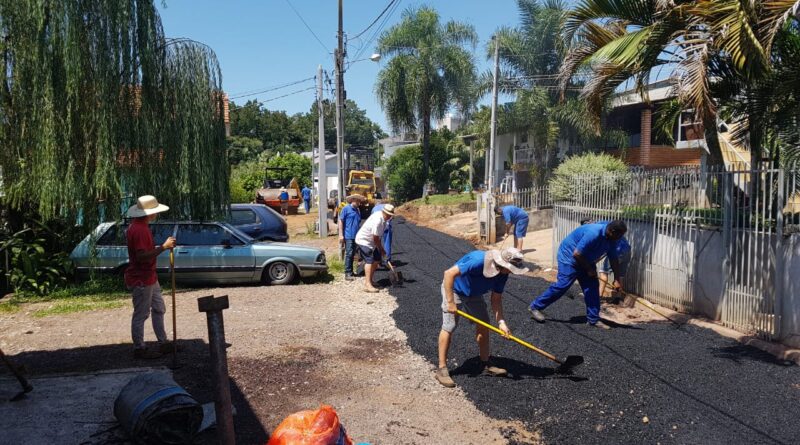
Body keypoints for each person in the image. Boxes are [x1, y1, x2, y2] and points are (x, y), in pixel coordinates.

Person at [435, 248, 529, 388]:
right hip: (454, 290)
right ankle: (442, 369)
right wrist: (450, 302)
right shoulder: (478, 261)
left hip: (474, 294)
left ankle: (485, 363)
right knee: (449, 326)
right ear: (503, 264)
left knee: (485, 324)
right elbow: (448, 274)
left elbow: (496, 299)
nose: (512, 272)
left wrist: (501, 322)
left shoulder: (503, 274)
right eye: (511, 268)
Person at [528, 220, 628, 330]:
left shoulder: (612, 239)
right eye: (619, 235)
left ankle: (593, 319)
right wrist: (589, 269)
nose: (620, 238)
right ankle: (535, 307)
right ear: (612, 231)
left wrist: (617, 279)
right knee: (562, 286)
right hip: (569, 258)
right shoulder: (594, 233)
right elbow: (577, 254)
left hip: (586, 259)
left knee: (592, 288)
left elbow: (613, 259)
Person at [125, 195, 177, 359]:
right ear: (149, 213)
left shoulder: (140, 226)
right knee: (141, 313)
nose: (157, 214)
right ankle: (139, 348)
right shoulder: (139, 230)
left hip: (149, 276)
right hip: (141, 277)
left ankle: (163, 343)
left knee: (159, 308)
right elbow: (141, 257)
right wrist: (163, 247)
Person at [355, 204, 395, 292]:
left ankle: (371, 280)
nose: (390, 217)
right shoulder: (378, 220)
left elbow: (378, 238)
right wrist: (381, 249)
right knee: (369, 260)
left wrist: (381, 250)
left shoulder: (384, 219)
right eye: (389, 215)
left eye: (391, 215)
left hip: (372, 242)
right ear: (384, 212)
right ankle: (367, 284)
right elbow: (375, 238)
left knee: (377, 260)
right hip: (364, 241)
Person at [338, 195, 362, 281]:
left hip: (356, 236)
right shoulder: (346, 209)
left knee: (352, 254)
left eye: (359, 201)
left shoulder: (357, 210)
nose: (359, 202)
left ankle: (351, 272)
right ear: (353, 200)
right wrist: (341, 235)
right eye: (358, 201)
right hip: (348, 235)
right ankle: (347, 273)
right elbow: (341, 221)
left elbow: (358, 223)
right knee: (349, 254)